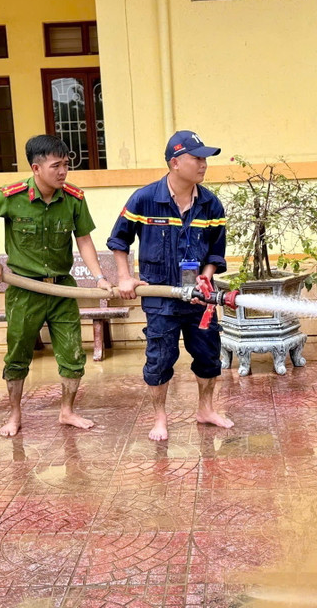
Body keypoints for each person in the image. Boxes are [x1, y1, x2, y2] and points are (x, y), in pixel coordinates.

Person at [0, 135, 112, 437]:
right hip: (24, 290)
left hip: (61, 289)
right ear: (36, 168)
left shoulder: (73, 199)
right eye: (56, 165)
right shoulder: (12, 196)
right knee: (18, 354)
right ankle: (14, 414)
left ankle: (67, 411)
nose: (63, 172)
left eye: (66, 165)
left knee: (73, 354)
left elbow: (83, 239)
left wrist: (99, 277)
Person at [108, 130, 234, 441]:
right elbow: (119, 241)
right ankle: (160, 418)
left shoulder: (211, 205)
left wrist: (206, 276)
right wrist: (124, 277)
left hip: (199, 299)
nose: (204, 164)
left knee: (208, 355)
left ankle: (206, 409)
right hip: (160, 297)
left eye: (205, 159)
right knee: (160, 358)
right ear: (175, 163)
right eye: (197, 158)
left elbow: (216, 251)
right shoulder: (145, 199)